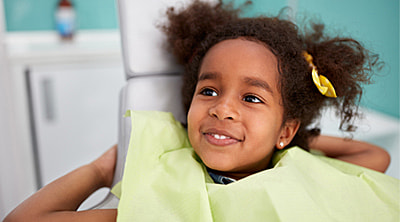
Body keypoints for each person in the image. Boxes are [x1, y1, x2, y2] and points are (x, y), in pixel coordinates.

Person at [4, 0, 394, 221]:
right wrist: (100, 172)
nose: (222, 109)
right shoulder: (162, 190)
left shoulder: (299, 167)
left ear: (286, 130)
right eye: (208, 91)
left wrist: (294, 142)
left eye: (252, 98)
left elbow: (375, 155)